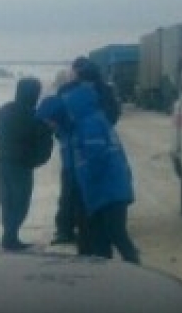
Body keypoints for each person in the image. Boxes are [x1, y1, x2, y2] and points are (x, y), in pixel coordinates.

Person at [38, 81, 140, 264]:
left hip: (110, 188)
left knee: (116, 233)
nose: (49, 126)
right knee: (98, 237)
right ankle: (103, 275)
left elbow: (95, 161)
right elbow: (72, 165)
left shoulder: (88, 123)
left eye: (49, 121)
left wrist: (82, 190)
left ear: (57, 115)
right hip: (96, 190)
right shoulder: (70, 127)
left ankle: (136, 269)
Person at [50, 58, 121, 245]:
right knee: (95, 186)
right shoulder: (104, 90)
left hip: (73, 152)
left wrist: (63, 135)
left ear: (76, 72)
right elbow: (113, 116)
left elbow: (56, 119)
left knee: (70, 189)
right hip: (95, 149)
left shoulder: (66, 90)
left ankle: (65, 229)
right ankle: (95, 225)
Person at [0, 76, 52, 250]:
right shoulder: (35, 115)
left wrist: (4, 148)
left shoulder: (4, 110)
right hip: (22, 166)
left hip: (3, 162)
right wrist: (34, 161)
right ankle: (10, 239)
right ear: (35, 94)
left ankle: (9, 236)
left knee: (7, 200)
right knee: (20, 202)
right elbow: (44, 145)